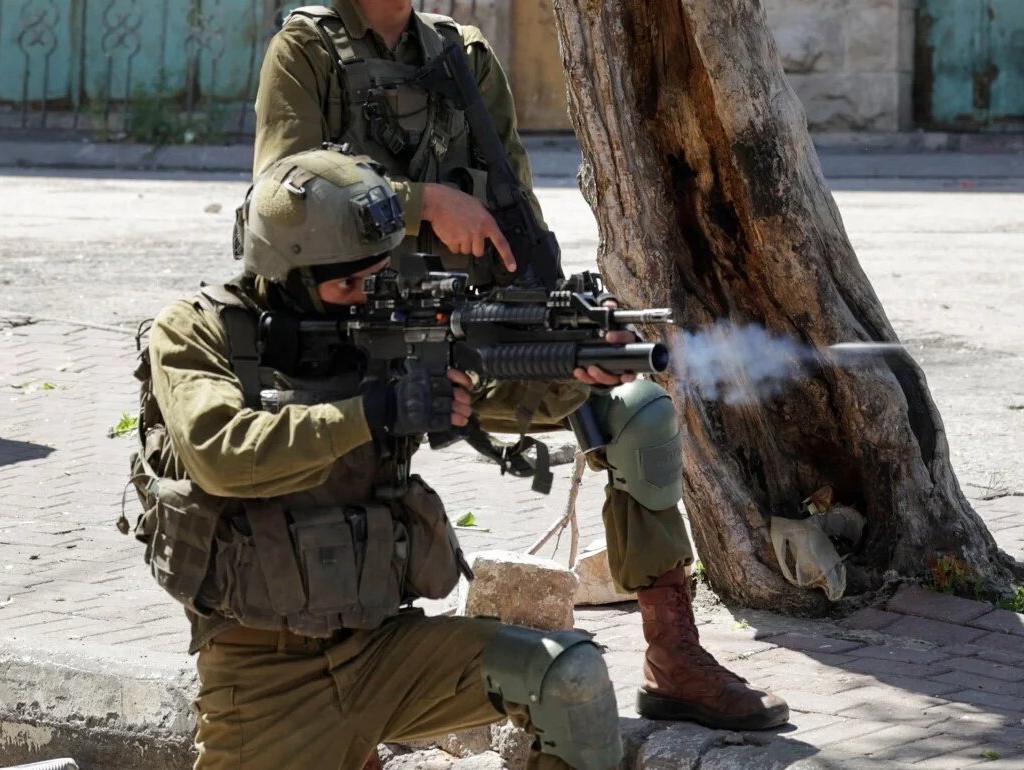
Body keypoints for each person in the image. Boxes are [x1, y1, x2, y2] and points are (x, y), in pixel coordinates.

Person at [251, 0, 788, 731]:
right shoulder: (305, 48)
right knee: (337, 469)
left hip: (468, 330)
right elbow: (280, 195)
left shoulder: (461, 53)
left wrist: (553, 326)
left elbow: (510, 202)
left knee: (635, 409)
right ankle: (344, 692)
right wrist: (421, 203)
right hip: (351, 334)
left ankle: (674, 657)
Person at [126, 149, 623, 769]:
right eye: (346, 286)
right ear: (287, 274)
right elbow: (222, 452)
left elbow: (495, 398)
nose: (368, 298)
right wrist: (375, 412)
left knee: (568, 677)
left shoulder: (384, 324)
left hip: (389, 651)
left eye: (379, 274)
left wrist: (576, 370)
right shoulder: (199, 333)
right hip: (265, 678)